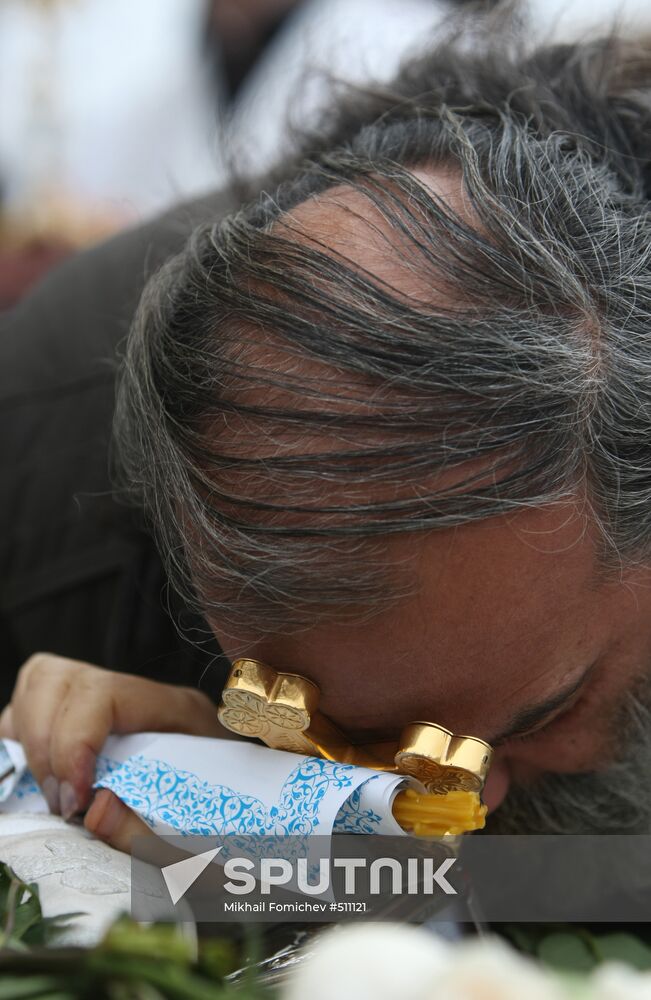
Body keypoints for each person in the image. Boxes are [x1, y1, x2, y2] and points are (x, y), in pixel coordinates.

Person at [3, 25, 651, 853]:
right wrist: (228, 784)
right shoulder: (45, 471)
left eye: (552, 709)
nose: (458, 799)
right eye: (323, 722)